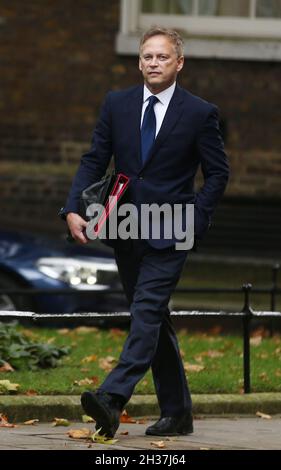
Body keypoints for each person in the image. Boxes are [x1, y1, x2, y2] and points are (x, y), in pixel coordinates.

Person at [61, 27, 229, 437]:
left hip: (171, 231)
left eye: (162, 57)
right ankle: (178, 412)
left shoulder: (199, 112)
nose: (153, 63)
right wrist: (72, 208)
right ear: (139, 61)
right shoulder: (116, 104)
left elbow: (218, 174)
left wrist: (196, 218)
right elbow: (94, 159)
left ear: (179, 63)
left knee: (146, 311)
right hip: (125, 228)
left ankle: (112, 398)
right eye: (147, 57)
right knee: (154, 318)